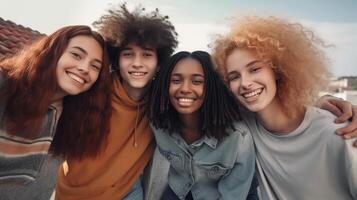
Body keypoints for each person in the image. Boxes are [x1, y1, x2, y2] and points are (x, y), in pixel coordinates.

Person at [212, 16, 357, 199]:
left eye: (255, 69)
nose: (245, 83)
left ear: (278, 70)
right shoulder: (243, 128)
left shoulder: (340, 135)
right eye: (234, 77)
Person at [55, 4, 178, 200]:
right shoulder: (92, 89)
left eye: (147, 54)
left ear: (159, 61)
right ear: (116, 59)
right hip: (72, 192)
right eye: (128, 54)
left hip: (127, 192)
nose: (137, 63)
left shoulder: (163, 101)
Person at [0, 25, 111, 200]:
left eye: (95, 66)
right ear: (53, 52)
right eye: (76, 55)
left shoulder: (75, 120)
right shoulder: (5, 85)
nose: (84, 68)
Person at [150, 51, 256, 200]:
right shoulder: (159, 125)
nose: (185, 88)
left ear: (212, 87)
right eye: (176, 80)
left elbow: (234, 194)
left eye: (197, 81)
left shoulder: (238, 136)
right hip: (180, 190)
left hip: (226, 194)